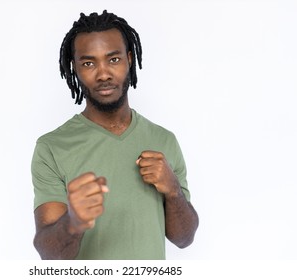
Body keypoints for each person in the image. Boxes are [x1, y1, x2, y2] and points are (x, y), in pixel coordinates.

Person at [31, 10, 199, 260]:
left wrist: (173, 191)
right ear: (74, 68)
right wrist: (73, 222)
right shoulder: (52, 147)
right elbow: (48, 253)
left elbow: (184, 239)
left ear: (129, 59)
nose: (103, 74)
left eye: (113, 59)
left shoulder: (164, 140)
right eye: (89, 63)